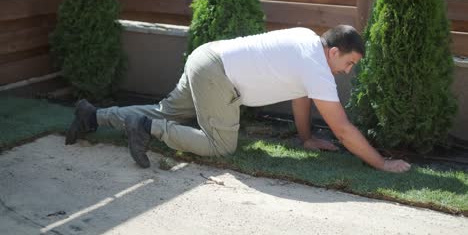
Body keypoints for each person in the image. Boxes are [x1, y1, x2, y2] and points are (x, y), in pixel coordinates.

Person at [65, 25, 411, 173]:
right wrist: (382, 164)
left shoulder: (308, 40)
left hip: (206, 57)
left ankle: (92, 116)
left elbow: (300, 97)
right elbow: (344, 129)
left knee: (165, 110)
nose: (347, 71)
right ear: (334, 52)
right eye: (348, 63)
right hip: (218, 74)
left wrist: (306, 138)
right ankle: (146, 128)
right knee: (220, 145)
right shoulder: (316, 66)